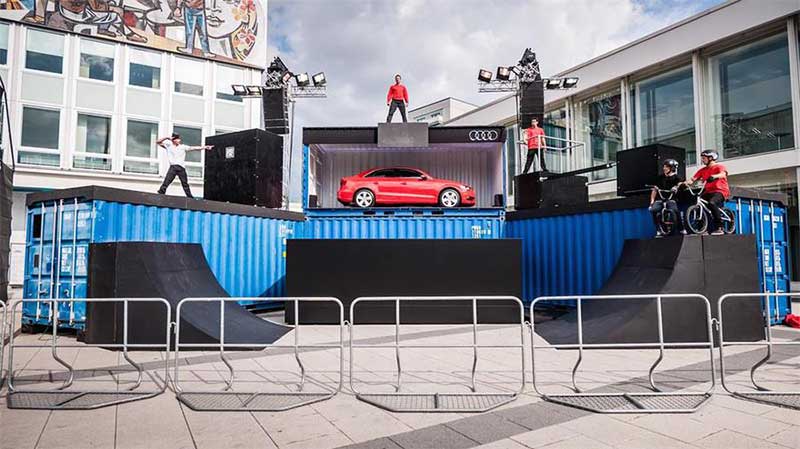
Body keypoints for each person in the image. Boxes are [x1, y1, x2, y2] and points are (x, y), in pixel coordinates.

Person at [683, 149, 730, 235]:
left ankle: (719, 227)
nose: (702, 160)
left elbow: (723, 174)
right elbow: (693, 179)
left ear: (711, 158)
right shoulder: (702, 170)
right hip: (708, 191)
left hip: (720, 191)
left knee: (712, 203)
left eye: (704, 158)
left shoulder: (719, 167)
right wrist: (685, 183)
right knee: (699, 205)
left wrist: (714, 176)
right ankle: (702, 228)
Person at [156, 133, 213, 198]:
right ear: (173, 140)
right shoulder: (169, 146)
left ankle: (189, 196)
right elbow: (158, 142)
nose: (179, 140)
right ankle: (161, 192)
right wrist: (166, 137)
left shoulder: (182, 147)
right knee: (167, 180)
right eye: (177, 139)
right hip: (173, 167)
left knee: (184, 183)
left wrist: (205, 147)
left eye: (179, 139)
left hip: (181, 168)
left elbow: (194, 148)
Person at [650, 159, 685, 237]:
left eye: (666, 167)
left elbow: (680, 184)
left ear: (672, 168)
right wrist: (652, 201)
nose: (664, 168)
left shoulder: (677, 177)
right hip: (660, 199)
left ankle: (681, 228)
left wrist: (676, 187)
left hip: (671, 199)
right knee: (654, 210)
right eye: (664, 166)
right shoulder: (660, 177)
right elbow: (654, 190)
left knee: (675, 210)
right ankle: (658, 229)